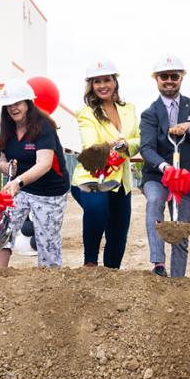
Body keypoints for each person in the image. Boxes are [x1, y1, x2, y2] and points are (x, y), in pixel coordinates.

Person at [139, 54, 190, 277]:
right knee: (155, 201)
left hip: (186, 177)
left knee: (181, 226)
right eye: (164, 76)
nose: (169, 80)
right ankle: (158, 264)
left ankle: (178, 279)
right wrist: (165, 167)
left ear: (182, 78)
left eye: (174, 76)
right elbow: (146, 148)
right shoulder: (150, 113)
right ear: (156, 79)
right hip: (157, 175)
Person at [69, 60, 140, 269]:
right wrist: (110, 145)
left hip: (121, 181)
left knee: (118, 235)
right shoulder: (86, 112)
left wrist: (126, 144)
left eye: (107, 80)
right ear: (91, 85)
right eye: (97, 81)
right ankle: (90, 263)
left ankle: (111, 273)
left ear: (115, 82)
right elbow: (90, 146)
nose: (102, 85)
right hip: (92, 177)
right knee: (98, 208)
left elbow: (139, 140)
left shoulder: (129, 109)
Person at [0, 79, 69, 269]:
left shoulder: (43, 127)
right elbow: (1, 160)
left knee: (47, 242)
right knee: (2, 229)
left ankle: (49, 282)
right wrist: (7, 167)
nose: (12, 108)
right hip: (20, 188)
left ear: (28, 103)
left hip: (49, 192)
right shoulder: (7, 129)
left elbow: (44, 164)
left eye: (17, 103)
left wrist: (18, 181)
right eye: (8, 105)